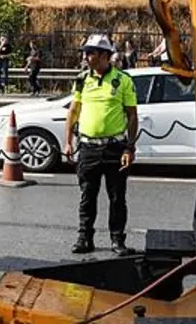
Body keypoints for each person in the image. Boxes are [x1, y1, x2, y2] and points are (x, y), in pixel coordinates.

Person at [63, 34, 138, 255]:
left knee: (117, 196)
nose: (87, 57)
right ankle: (84, 238)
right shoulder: (82, 80)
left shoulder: (122, 80)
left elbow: (132, 116)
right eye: (86, 52)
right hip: (88, 148)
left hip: (114, 147)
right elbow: (74, 111)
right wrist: (68, 141)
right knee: (88, 195)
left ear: (105, 55)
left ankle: (117, 240)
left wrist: (129, 147)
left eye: (92, 52)